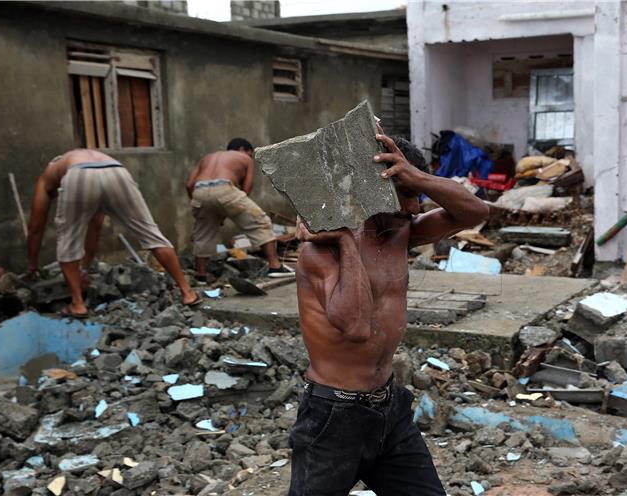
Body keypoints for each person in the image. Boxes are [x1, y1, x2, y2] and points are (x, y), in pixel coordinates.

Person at [290, 134, 489, 495]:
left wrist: (417, 177)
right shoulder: (321, 251)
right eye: (405, 196)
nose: (414, 209)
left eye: (417, 197)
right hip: (333, 416)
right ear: (370, 192)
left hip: (389, 409)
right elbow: (355, 326)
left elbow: (476, 212)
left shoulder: (401, 232)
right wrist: (347, 243)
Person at [27, 149, 202, 318]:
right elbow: (95, 226)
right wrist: (85, 268)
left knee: (67, 241)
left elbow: (36, 227)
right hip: (117, 172)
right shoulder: (85, 157)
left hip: (79, 175)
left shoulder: (48, 176)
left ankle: (77, 304)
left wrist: (32, 267)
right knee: (151, 234)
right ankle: (188, 293)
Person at [185, 137, 293, 281]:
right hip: (225, 187)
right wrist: (231, 206)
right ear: (243, 149)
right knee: (260, 221)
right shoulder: (244, 157)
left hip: (199, 191)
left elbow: (189, 184)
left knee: (202, 233)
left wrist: (200, 206)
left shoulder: (206, 158)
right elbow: (246, 189)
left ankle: (201, 275)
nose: (250, 157)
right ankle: (275, 266)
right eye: (250, 154)